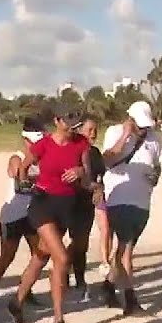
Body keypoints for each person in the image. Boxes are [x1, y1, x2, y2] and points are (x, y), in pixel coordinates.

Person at [5, 107, 92, 323]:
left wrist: (80, 171)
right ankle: (59, 321)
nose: (73, 125)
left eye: (76, 121)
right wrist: (26, 185)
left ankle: (16, 301)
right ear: (57, 120)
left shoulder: (81, 144)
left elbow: (88, 176)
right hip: (43, 204)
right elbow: (23, 167)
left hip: (67, 206)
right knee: (62, 258)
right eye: (68, 120)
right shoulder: (43, 144)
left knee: (41, 256)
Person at [98, 100, 162, 315]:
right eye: (139, 125)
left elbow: (158, 165)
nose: (143, 129)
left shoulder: (154, 138)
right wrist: (125, 136)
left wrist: (155, 177)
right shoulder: (115, 132)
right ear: (130, 119)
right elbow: (106, 160)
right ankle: (130, 301)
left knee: (125, 248)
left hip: (142, 200)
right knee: (126, 249)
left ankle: (108, 286)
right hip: (119, 198)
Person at [0, 116, 45, 308]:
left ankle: (25, 290)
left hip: (32, 214)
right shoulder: (16, 157)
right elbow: (20, 184)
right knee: (7, 256)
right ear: (26, 140)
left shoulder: (42, 158)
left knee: (39, 254)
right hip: (12, 215)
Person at [68, 116, 105, 298]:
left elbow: (100, 176)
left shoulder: (96, 153)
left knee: (81, 243)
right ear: (79, 131)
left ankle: (79, 280)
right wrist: (93, 186)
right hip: (68, 199)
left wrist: (99, 188)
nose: (93, 134)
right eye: (89, 130)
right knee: (67, 243)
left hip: (86, 202)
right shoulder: (72, 149)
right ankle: (63, 273)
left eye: (96, 130)